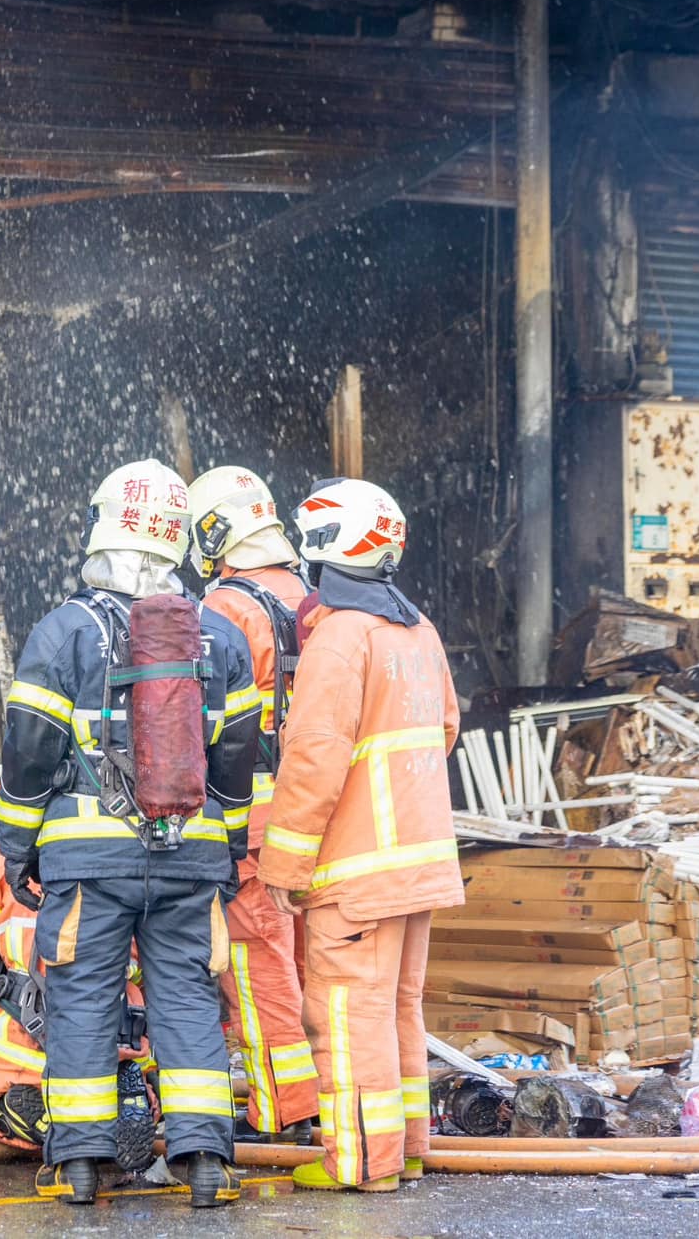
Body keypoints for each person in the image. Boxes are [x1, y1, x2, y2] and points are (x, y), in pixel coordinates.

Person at [0, 458, 261, 1207]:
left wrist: (18, 847)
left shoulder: (64, 632)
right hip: (193, 859)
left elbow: (28, 751)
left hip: (88, 862)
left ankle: (79, 1165)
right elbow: (241, 759)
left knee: (82, 1000)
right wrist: (229, 847)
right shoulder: (222, 639)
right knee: (186, 1000)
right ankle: (206, 1159)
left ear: (102, 527)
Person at [256, 479, 463, 1193]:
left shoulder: (341, 640)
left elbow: (312, 762)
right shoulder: (418, 630)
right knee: (398, 1007)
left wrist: (283, 866)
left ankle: (359, 1164)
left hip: (358, 871)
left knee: (345, 1016)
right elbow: (446, 730)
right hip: (419, 864)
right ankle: (405, 1148)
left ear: (323, 548)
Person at [182, 465, 319, 1143]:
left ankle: (287, 1109)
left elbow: (202, 727)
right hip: (315, 818)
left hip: (250, 822)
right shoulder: (316, 600)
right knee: (304, 961)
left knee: (256, 961)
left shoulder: (224, 611)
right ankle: (324, 1092)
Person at [0, 837, 156, 1176]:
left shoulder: (5, 854)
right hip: (117, 1035)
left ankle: (16, 1115)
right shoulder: (135, 845)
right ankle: (132, 1103)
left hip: (27, 1039)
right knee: (142, 1072)